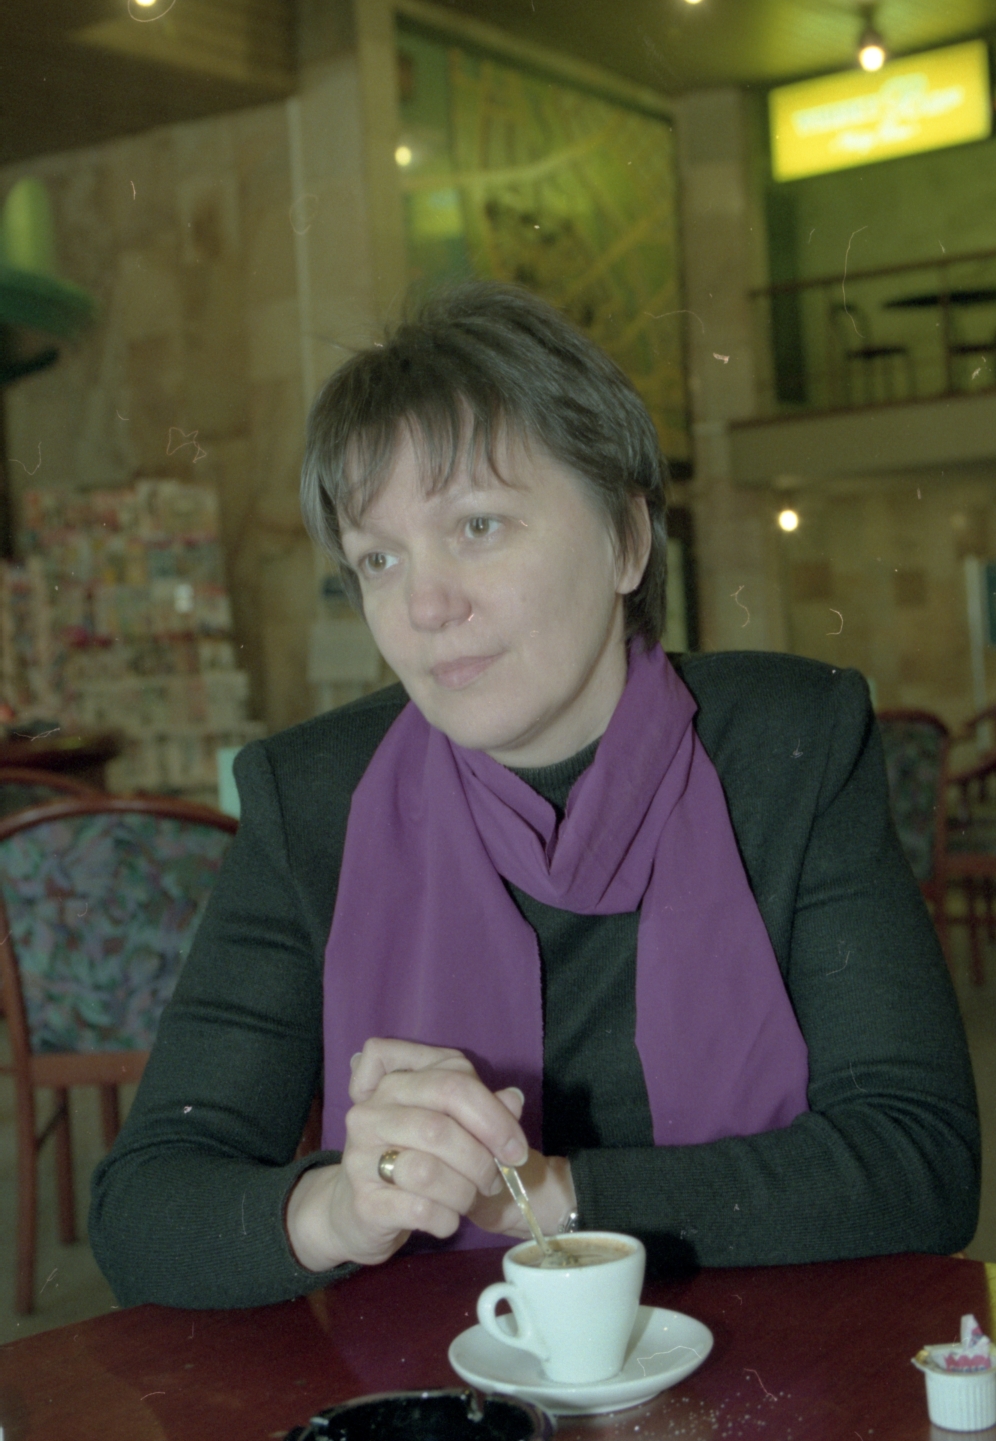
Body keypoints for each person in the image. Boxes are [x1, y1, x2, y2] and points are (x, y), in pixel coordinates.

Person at [90, 280, 979, 1309]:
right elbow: (143, 1208)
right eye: (378, 558)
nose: (425, 604)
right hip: (444, 1375)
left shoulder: (789, 745)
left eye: (478, 525)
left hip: (771, 1361)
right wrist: (340, 1207)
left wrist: (547, 1195)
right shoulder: (313, 799)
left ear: (628, 540)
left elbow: (920, 1161)